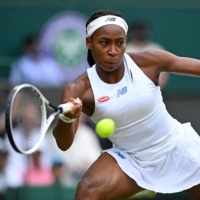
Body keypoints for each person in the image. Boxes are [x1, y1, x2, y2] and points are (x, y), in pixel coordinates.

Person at [52, 9, 200, 200]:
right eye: (104, 43)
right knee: (88, 191)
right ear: (89, 42)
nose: (113, 51)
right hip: (131, 159)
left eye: (119, 43)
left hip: (176, 148)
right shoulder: (78, 90)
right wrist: (67, 118)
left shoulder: (147, 62)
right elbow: (64, 144)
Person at [126, 19, 168, 88]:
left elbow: (163, 72)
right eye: (138, 31)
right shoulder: (127, 49)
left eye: (143, 31)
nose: (141, 34)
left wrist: (157, 88)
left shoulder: (156, 48)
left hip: (152, 89)